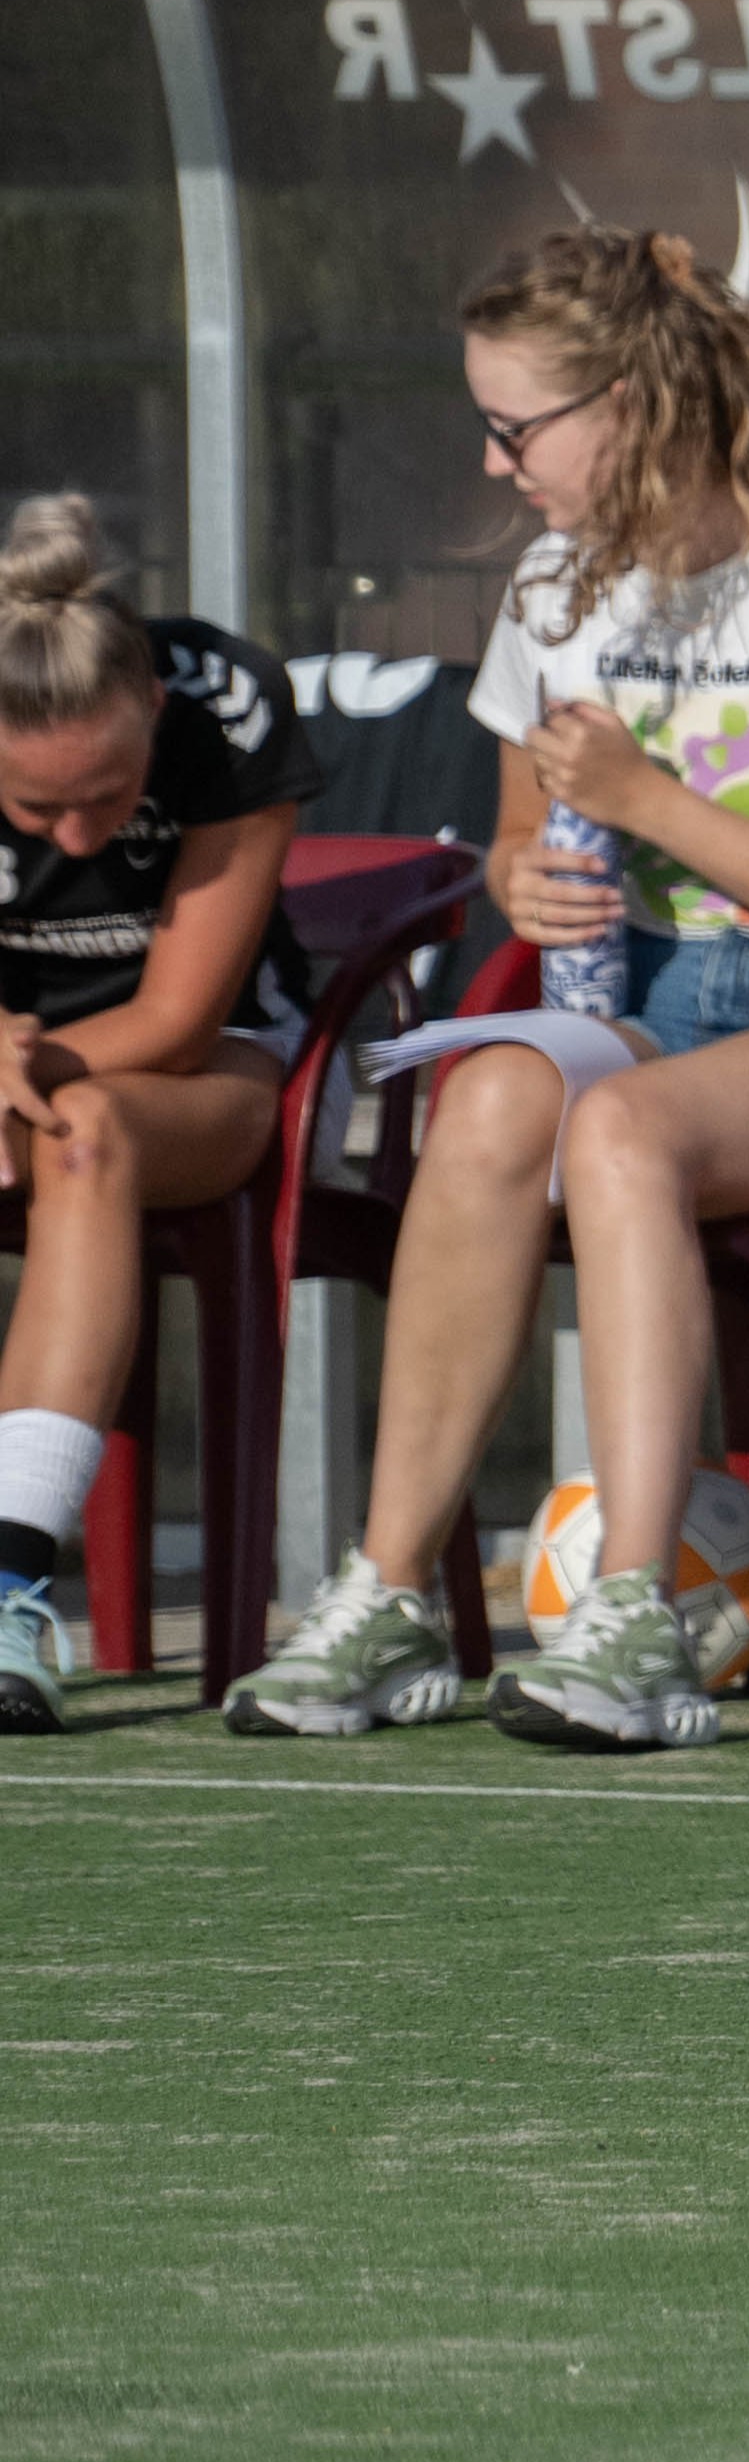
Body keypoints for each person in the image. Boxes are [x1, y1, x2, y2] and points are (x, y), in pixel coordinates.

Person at [221, 231, 749, 1754]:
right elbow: (529, 833)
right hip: (639, 994)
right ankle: (390, 1590)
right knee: (490, 1103)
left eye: (519, 426)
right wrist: (527, 880)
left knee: (622, 1131)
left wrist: (655, 806)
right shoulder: (549, 589)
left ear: (636, 400)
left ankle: (638, 1611)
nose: (496, 458)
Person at [0, 498, 315, 1730]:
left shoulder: (231, 701)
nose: (79, 836)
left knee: (88, 1133)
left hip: (212, 1073)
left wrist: (25, 1071)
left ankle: (14, 1585)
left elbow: (184, 1018)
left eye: (110, 795)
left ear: (160, 716)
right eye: (36, 813)